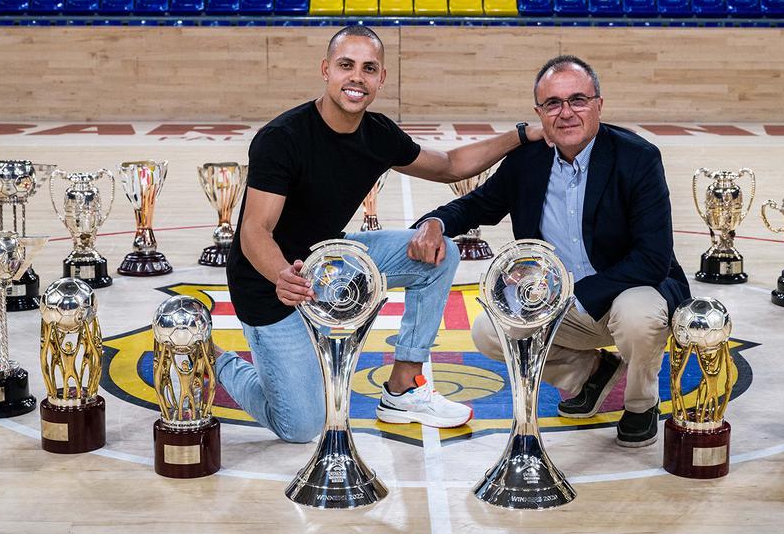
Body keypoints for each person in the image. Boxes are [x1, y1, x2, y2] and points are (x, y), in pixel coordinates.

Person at [215, 25, 544, 443]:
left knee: (438, 253)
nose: (357, 77)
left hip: (330, 263)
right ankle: (214, 358)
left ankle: (403, 388)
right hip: (271, 284)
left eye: (369, 68)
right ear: (325, 70)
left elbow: (449, 166)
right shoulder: (282, 139)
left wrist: (521, 135)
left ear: (381, 78)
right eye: (346, 65)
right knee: (301, 427)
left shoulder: (378, 134)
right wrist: (283, 276)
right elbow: (254, 231)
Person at [408, 55, 690, 447]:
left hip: (629, 288)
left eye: (578, 100)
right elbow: (477, 205)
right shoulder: (528, 160)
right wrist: (435, 223)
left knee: (638, 317)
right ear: (539, 113)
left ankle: (641, 404)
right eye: (553, 103)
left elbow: (653, 258)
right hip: (561, 298)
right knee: (489, 332)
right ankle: (590, 373)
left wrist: (578, 296)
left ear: (598, 105)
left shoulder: (637, 157)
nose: (566, 112)